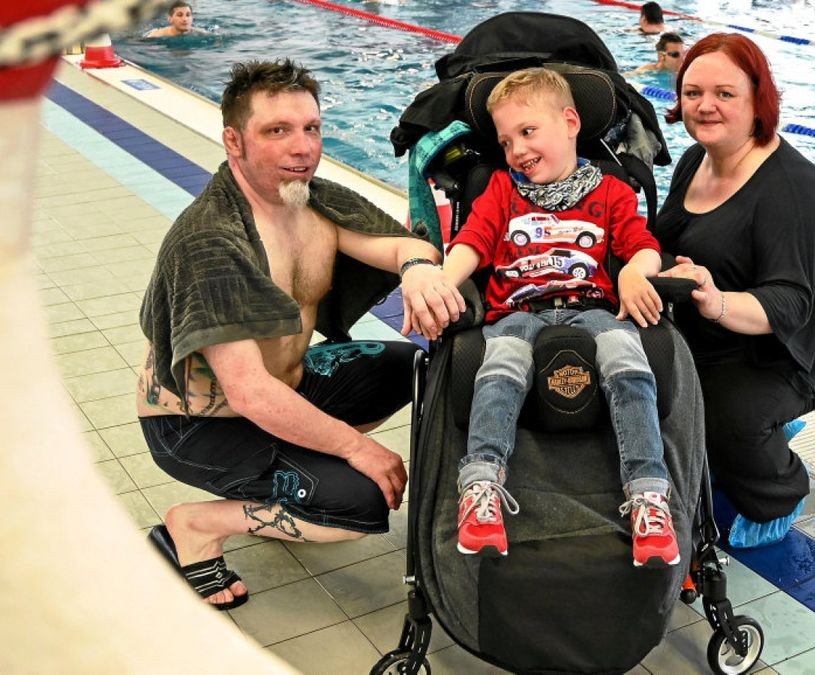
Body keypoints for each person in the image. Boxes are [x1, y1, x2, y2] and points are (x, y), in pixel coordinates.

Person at [135, 59, 463, 610]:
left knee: (406, 364)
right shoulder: (213, 241)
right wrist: (356, 449)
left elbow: (405, 245)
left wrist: (418, 269)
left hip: (284, 390)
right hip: (197, 426)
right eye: (277, 131)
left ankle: (289, 475)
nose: (302, 147)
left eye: (311, 128)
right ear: (234, 141)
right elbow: (248, 392)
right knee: (360, 505)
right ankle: (195, 526)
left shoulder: (315, 201)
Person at [403, 67, 680, 568]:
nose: (517, 151)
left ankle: (648, 495)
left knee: (627, 360)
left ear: (571, 122)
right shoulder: (502, 193)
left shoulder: (612, 192)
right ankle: (481, 487)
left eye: (528, 132)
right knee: (500, 368)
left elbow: (643, 247)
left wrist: (635, 274)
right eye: (507, 142)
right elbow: (474, 241)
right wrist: (444, 278)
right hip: (518, 313)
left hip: (593, 309)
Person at [656, 33, 815, 549]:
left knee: (726, 419)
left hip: (794, 352)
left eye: (725, 94)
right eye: (693, 92)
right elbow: (660, 244)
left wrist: (715, 298)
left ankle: (781, 489)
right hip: (717, 337)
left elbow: (791, 303)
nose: (705, 106)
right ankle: (766, 432)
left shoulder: (792, 188)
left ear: (757, 100)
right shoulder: (695, 162)